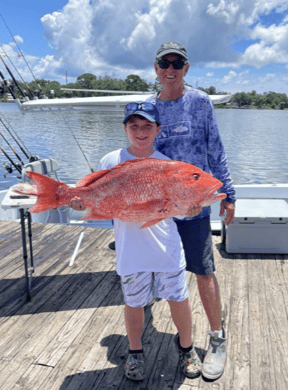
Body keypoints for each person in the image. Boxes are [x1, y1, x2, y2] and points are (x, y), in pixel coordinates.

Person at [69, 102, 202, 381]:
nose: (140, 131)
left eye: (147, 126)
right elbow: (93, 194)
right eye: (134, 125)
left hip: (166, 248)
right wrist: (80, 202)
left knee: (178, 298)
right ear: (125, 128)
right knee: (134, 302)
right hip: (130, 250)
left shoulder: (170, 164)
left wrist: (191, 207)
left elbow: (173, 206)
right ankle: (135, 352)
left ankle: (187, 349)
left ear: (158, 129)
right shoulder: (110, 160)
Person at [146, 41, 236, 380]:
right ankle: (146, 328)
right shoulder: (148, 108)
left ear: (186, 68)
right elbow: (139, 157)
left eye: (177, 63)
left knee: (203, 270)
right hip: (160, 206)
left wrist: (228, 193)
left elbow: (216, 149)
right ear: (155, 68)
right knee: (153, 267)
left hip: (195, 205)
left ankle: (217, 337)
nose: (170, 69)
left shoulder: (199, 102)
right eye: (164, 63)